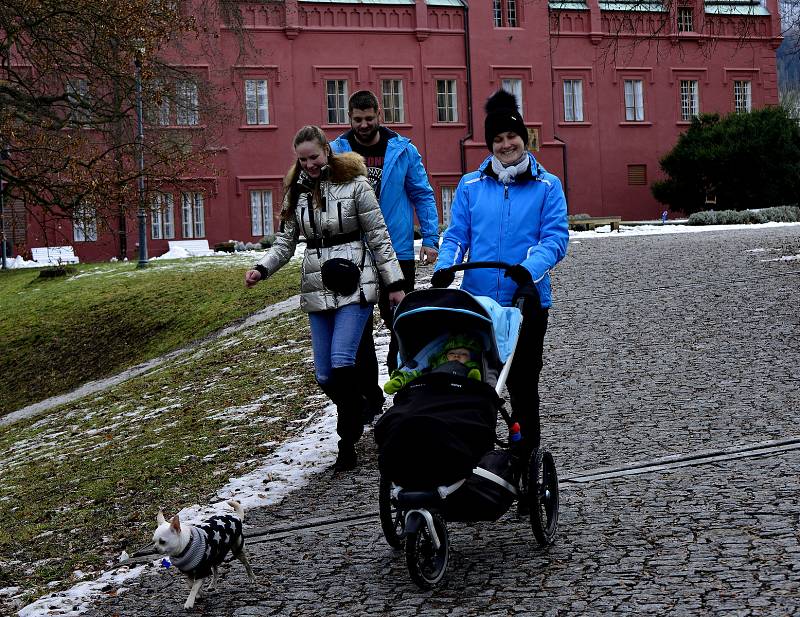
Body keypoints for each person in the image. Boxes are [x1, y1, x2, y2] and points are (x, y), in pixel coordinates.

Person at [245, 125, 405, 471]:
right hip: (317, 285)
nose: (309, 165)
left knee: (342, 361)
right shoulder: (297, 192)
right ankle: (359, 405)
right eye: (302, 160)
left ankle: (346, 441)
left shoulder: (356, 184)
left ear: (327, 151)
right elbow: (286, 242)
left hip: (356, 280)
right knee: (325, 375)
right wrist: (262, 268)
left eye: (314, 157)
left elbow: (379, 236)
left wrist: (394, 282)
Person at [431, 89, 569, 454]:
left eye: (512, 137)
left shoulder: (547, 186)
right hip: (477, 303)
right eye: (498, 139)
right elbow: (457, 234)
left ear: (523, 138)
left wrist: (526, 270)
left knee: (522, 385)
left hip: (526, 301)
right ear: (489, 144)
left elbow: (554, 239)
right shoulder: (470, 186)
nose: (506, 145)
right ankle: (474, 453)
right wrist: (446, 266)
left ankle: (525, 458)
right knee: (474, 380)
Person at [330, 90, 440, 419]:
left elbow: (422, 193)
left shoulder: (402, 150)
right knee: (358, 331)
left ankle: (403, 385)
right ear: (349, 118)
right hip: (353, 253)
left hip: (398, 250)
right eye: (357, 119)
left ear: (380, 115)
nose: (363, 125)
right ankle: (370, 397)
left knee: (402, 324)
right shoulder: (337, 152)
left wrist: (431, 237)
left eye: (369, 118)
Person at [383, 334, 483, 394]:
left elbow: (475, 378)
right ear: (445, 355)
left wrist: (473, 377)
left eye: (463, 354)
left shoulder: (471, 367)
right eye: (452, 353)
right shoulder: (435, 364)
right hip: (430, 390)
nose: (456, 356)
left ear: (471, 357)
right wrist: (401, 379)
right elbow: (417, 373)